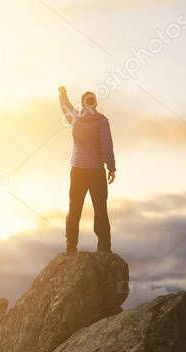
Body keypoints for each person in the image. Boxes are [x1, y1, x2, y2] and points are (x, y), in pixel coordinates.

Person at [59, 86, 115, 253]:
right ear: (95, 103)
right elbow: (107, 146)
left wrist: (62, 94)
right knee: (100, 208)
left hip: (77, 169)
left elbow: (65, 107)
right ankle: (104, 247)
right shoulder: (102, 121)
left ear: (83, 104)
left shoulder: (76, 118)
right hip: (96, 170)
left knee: (74, 207)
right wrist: (111, 167)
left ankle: (71, 245)